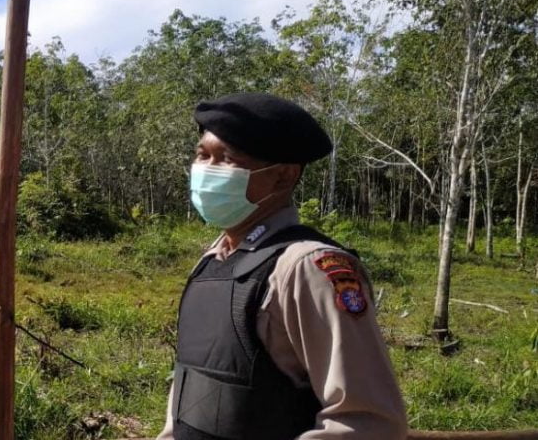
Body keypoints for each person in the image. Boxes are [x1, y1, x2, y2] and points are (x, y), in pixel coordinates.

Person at [157, 93, 408, 439]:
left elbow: (367, 422)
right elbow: (190, 396)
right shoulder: (212, 262)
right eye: (203, 155)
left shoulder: (307, 269)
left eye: (227, 159)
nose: (207, 170)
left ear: (282, 177)